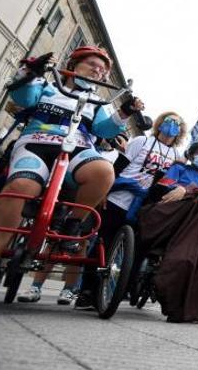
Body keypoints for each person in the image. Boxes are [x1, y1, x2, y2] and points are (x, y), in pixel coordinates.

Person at [0, 47, 143, 295]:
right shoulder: (48, 87)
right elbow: (23, 98)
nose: (99, 70)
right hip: (36, 144)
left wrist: (125, 112)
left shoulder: (98, 103)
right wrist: (31, 73)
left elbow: (104, 130)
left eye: (103, 70)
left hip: (77, 148)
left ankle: (71, 225)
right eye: (93, 64)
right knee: (21, 187)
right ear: (73, 65)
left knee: (104, 171)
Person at [74, 111, 185, 310]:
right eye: (169, 121)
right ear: (160, 124)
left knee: (133, 251)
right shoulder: (141, 141)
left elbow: (173, 181)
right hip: (119, 199)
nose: (172, 126)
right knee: (103, 244)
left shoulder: (177, 156)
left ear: (180, 131)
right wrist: (103, 193)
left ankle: (118, 289)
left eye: (177, 123)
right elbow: (119, 166)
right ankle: (87, 292)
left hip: (145, 208)